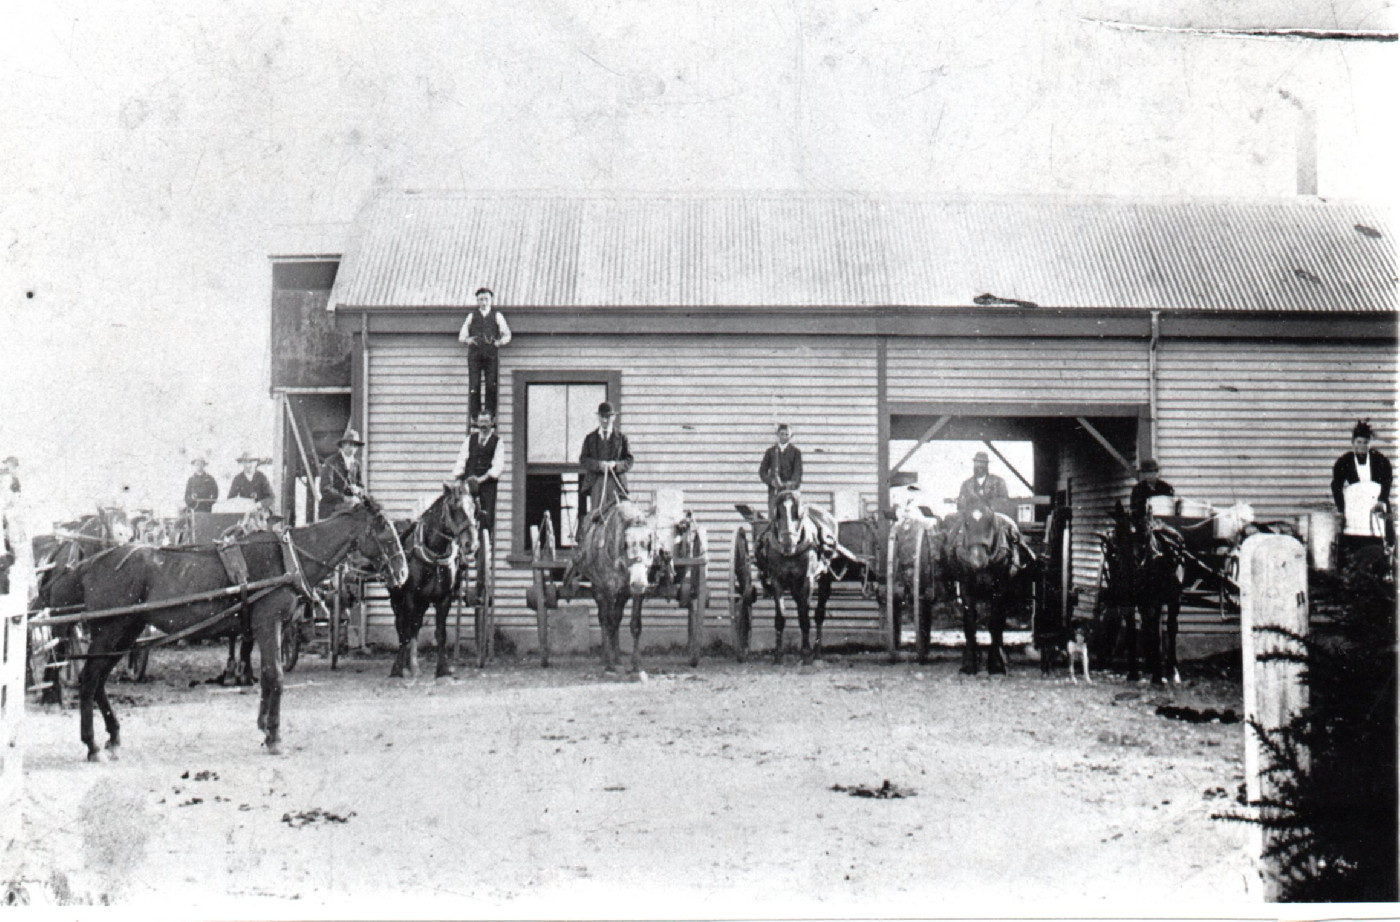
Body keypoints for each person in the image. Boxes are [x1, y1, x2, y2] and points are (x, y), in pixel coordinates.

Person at [1331, 420, 1392, 541]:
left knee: (1380, 536)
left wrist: (1382, 500)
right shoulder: (1345, 461)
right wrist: (1341, 508)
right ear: (1353, 442)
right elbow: (1336, 485)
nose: (1362, 446)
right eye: (1359, 442)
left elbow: (1387, 481)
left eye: (1365, 442)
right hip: (1355, 507)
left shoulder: (1380, 460)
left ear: (1369, 443)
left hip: (1375, 505)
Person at [457, 287, 512, 421]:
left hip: (490, 355)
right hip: (475, 355)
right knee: (474, 385)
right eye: (481, 299)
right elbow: (461, 336)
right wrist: (468, 340)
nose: (484, 302)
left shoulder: (497, 316)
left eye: (486, 299)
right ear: (477, 301)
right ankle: (475, 416)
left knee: (490, 385)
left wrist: (500, 342)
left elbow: (507, 335)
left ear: (491, 300)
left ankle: (489, 414)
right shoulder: (472, 316)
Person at [577, 402, 633, 534]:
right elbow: (583, 460)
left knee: (617, 515)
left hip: (616, 483)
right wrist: (598, 465)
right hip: (597, 482)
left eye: (608, 417)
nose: (604, 420)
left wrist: (616, 465)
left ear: (613, 418)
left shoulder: (622, 438)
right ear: (598, 418)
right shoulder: (590, 438)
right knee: (597, 515)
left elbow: (629, 460)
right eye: (602, 416)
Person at [453, 411, 502, 532]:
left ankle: (484, 543)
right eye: (481, 422)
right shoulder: (470, 440)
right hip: (469, 484)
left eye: (486, 422)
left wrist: (480, 480)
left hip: (487, 486)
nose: (483, 425)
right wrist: (459, 479)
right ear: (477, 423)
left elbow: (497, 467)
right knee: (465, 513)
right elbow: (461, 461)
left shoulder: (497, 442)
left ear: (492, 422)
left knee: (485, 517)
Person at [758, 423, 803, 520]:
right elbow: (762, 471)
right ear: (778, 435)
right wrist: (771, 481)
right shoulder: (771, 452)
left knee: (795, 516)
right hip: (775, 492)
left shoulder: (796, 452)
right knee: (773, 517)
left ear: (791, 436)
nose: (784, 437)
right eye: (782, 434)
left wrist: (790, 484)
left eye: (787, 434)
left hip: (790, 491)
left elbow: (798, 473)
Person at [320, 428, 365, 518]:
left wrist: (357, 489)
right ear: (343, 445)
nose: (353, 448)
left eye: (355, 446)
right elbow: (325, 488)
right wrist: (343, 498)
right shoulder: (331, 462)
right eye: (350, 444)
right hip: (332, 508)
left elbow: (361, 486)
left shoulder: (356, 465)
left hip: (350, 506)